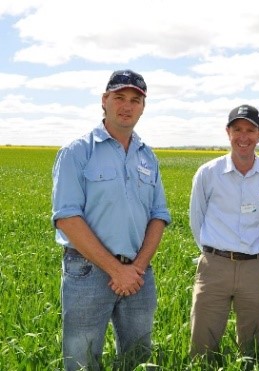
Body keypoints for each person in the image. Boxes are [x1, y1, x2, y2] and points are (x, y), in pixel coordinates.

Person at [51, 69, 171, 371]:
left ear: (143, 107)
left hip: (139, 275)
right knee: (82, 360)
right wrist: (116, 270)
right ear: (105, 100)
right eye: (119, 97)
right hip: (87, 272)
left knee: (138, 357)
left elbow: (159, 216)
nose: (127, 106)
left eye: (135, 100)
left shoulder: (148, 156)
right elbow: (66, 217)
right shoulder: (78, 152)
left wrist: (136, 269)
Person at [188, 104, 259, 358]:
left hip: (255, 267)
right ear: (227, 132)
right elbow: (196, 219)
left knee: (253, 348)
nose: (244, 137)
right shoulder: (208, 173)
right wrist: (213, 253)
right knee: (203, 344)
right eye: (237, 129)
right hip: (214, 266)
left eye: (250, 130)